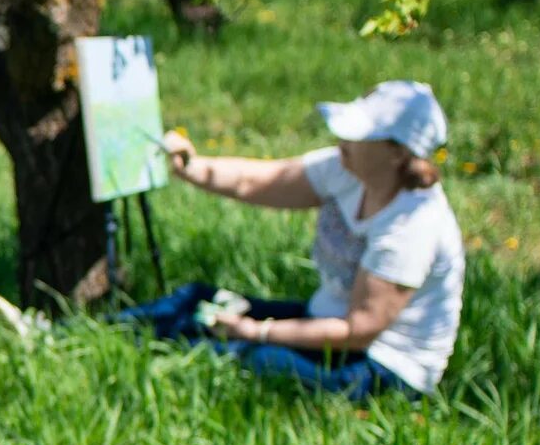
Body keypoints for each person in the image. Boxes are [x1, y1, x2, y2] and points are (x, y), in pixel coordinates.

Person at [120, 79, 466, 399]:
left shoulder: (412, 225)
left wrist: (257, 332)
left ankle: (121, 350)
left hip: (380, 368)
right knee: (198, 301)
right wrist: (192, 168)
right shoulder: (348, 170)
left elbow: (359, 330)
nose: (342, 138)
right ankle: (95, 329)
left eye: (361, 133)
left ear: (397, 153)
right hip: (324, 324)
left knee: (235, 354)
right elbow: (260, 181)